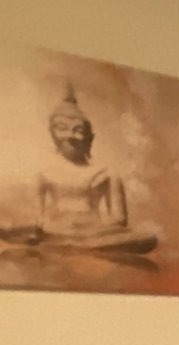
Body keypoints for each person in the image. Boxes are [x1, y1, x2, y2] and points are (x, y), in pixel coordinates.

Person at [32, 83, 157, 254]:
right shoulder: (44, 174)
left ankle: (79, 245)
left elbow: (119, 220)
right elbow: (36, 219)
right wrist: (50, 226)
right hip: (57, 230)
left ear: (90, 138)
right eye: (62, 128)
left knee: (146, 238)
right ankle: (74, 244)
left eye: (78, 131)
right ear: (52, 134)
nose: (70, 136)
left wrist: (93, 229)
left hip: (96, 232)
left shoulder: (107, 174)